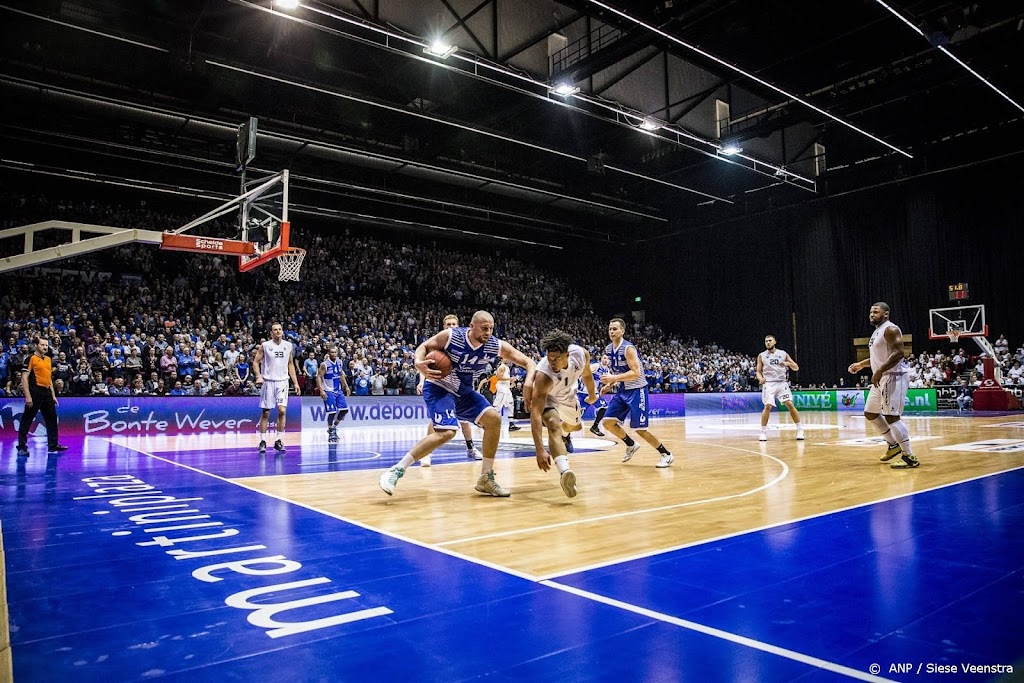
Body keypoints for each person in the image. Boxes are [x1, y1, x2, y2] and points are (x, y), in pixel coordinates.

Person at [379, 310, 536, 497]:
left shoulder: (495, 345)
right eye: (484, 328)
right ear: (472, 326)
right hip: (439, 387)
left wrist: (528, 382)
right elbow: (424, 346)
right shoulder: (452, 336)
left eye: (491, 329)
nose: (488, 332)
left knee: (494, 419)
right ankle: (396, 470)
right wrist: (418, 362)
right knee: (447, 432)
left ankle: (486, 477)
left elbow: (528, 362)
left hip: (464, 392)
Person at [847, 302, 919, 469]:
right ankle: (893, 445)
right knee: (870, 413)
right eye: (871, 312)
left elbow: (899, 353)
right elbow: (878, 357)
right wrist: (861, 364)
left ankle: (909, 456)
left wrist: (879, 371)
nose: (872, 314)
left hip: (894, 376)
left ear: (886, 314)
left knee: (892, 417)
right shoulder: (876, 332)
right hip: (882, 376)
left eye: (876, 312)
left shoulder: (891, 329)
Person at [528, 330, 597, 498]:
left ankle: (565, 435)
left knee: (575, 426)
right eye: (549, 358)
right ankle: (564, 471)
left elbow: (587, 375)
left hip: (568, 396)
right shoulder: (544, 376)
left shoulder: (581, 355)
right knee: (553, 424)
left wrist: (592, 394)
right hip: (548, 397)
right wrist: (539, 450)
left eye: (556, 358)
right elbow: (535, 414)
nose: (552, 362)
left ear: (567, 354)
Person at [600, 318, 674, 468]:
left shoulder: (628, 349)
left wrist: (614, 378)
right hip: (623, 390)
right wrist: (610, 384)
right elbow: (619, 372)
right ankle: (631, 444)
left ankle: (666, 454)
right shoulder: (608, 349)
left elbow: (636, 372)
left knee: (640, 429)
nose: (612, 331)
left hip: (637, 390)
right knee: (607, 422)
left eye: (615, 329)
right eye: (610, 329)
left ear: (623, 331)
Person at [416, 314, 484, 466]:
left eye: (454, 324)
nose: (451, 327)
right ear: (444, 327)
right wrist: (422, 381)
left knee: (465, 422)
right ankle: (427, 453)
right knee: (435, 421)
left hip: (460, 386)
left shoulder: (464, 342)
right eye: (448, 325)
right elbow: (424, 364)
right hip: (440, 385)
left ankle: (471, 448)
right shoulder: (438, 344)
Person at [16, 337, 68, 456]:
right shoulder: (31, 359)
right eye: (42, 345)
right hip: (35, 392)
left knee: (52, 419)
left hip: (47, 393)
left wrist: (53, 395)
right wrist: (28, 397)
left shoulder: (48, 359)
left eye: (46, 345)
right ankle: (21, 446)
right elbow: (24, 378)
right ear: (36, 345)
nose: (45, 347)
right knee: (27, 419)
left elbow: (49, 378)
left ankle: (53, 445)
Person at [252, 322, 299, 454]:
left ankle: (278, 440)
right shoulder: (265, 346)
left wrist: (295, 383)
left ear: (282, 331)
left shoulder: (288, 346)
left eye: (279, 329)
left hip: (283, 381)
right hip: (268, 381)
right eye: (275, 330)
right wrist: (258, 376)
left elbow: (290, 364)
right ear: (271, 333)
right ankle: (262, 440)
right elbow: (256, 362)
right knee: (266, 412)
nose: (278, 331)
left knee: (282, 410)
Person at [755, 335, 804, 441]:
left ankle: (800, 429)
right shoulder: (761, 356)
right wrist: (760, 378)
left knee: (790, 404)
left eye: (769, 341)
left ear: (775, 342)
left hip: (782, 383)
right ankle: (763, 432)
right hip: (769, 383)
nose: (767, 342)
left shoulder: (783, 353)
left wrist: (788, 363)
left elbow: (796, 368)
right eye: (766, 341)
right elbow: (758, 371)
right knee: (767, 406)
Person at [317, 345, 352, 442]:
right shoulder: (324, 364)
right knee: (332, 412)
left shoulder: (340, 362)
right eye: (331, 352)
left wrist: (346, 386)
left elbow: (340, 374)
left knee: (344, 410)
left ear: (337, 353)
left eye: (335, 352)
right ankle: (331, 431)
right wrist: (321, 390)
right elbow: (319, 377)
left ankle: (333, 427)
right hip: (329, 390)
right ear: (328, 353)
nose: (333, 354)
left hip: (338, 390)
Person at [482, 360, 520, 432]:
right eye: (506, 358)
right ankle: (487, 422)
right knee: (497, 406)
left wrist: (511, 383)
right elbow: (499, 377)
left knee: (510, 405)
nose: (507, 360)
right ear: (502, 359)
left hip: (506, 388)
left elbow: (506, 379)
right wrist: (510, 379)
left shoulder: (507, 367)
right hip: (502, 388)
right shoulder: (502, 367)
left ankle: (511, 424)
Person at [580, 354, 610, 438]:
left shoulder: (607, 370)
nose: (606, 360)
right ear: (601, 359)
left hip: (593, 392)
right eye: (604, 358)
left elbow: (611, 380)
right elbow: (584, 372)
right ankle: (565, 434)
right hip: (583, 392)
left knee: (604, 406)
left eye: (607, 359)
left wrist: (607, 385)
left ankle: (595, 427)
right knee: (576, 417)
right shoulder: (596, 366)